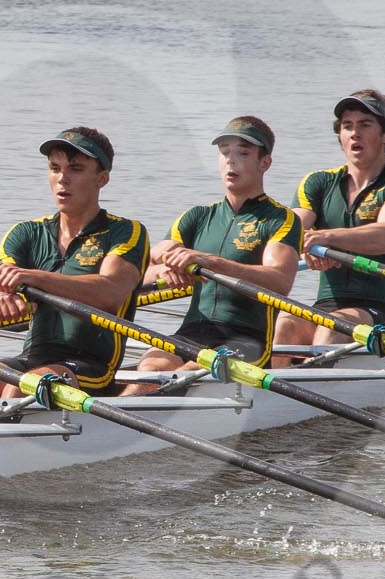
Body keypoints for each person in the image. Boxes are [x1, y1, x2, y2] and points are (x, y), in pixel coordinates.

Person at [0, 127, 149, 415]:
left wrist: (34, 277)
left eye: (76, 169)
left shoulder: (125, 232)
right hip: (34, 355)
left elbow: (111, 291)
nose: (62, 179)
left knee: (21, 387)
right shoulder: (26, 233)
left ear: (101, 179)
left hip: (92, 364)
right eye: (54, 168)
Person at [123, 117, 302, 394]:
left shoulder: (281, 220)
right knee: (148, 372)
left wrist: (211, 263)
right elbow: (143, 268)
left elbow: (280, 280)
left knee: (183, 375)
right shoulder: (195, 217)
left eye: (243, 153)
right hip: (192, 332)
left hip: (246, 340)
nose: (231, 161)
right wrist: (162, 271)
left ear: (264, 163)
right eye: (225, 152)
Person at [273, 90, 385, 362]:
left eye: (365, 124)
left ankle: (312, 388)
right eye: (347, 126)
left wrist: (326, 238)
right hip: (326, 306)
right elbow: (287, 233)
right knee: (283, 322)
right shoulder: (318, 182)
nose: (355, 133)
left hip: (379, 312)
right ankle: (274, 395)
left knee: (331, 326)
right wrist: (302, 244)